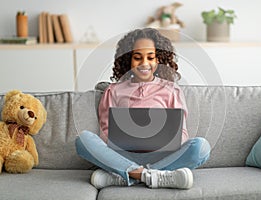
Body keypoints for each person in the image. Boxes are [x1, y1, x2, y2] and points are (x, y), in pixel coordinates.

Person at [75, 28, 211, 190]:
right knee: (83, 140)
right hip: (122, 156)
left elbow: (182, 134)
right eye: (137, 57)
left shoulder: (172, 90)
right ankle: (152, 176)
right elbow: (105, 133)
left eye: (150, 57)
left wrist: (163, 140)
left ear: (158, 59)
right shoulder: (113, 90)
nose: (144, 63)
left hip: (163, 156)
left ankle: (129, 177)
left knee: (201, 147)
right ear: (128, 60)